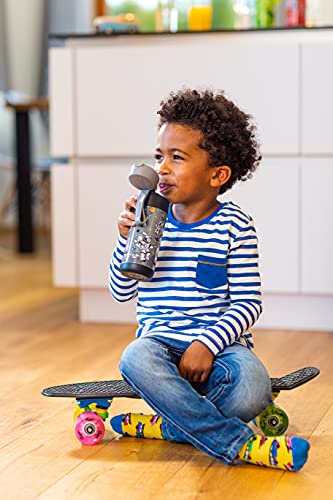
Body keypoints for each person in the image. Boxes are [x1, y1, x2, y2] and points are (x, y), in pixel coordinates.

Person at [108, 88, 309, 471]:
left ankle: (174, 423)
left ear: (217, 174)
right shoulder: (151, 221)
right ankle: (233, 441)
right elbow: (121, 292)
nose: (162, 168)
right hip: (161, 345)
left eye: (177, 157)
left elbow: (249, 303)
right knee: (135, 357)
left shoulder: (234, 224)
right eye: (159, 156)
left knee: (253, 386)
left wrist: (205, 344)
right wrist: (126, 242)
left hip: (220, 349)